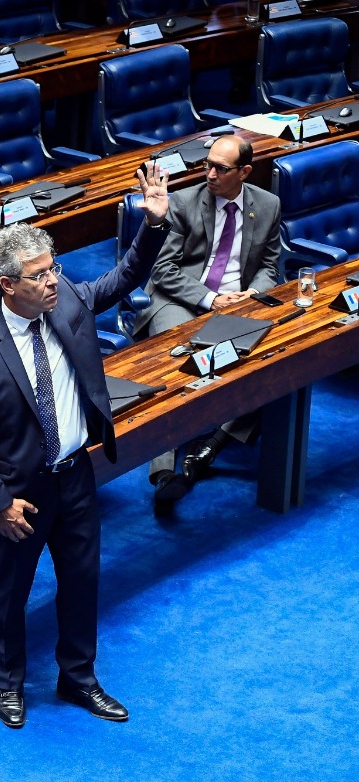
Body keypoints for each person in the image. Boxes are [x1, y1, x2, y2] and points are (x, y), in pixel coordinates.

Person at [0, 164, 170, 729]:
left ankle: (79, 678)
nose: (52, 281)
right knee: (8, 593)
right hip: (20, 490)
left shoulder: (68, 299)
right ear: (8, 286)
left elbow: (122, 279)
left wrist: (153, 225)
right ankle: (10, 684)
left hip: (75, 474)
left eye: (53, 269)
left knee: (81, 580)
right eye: (39, 276)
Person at [132, 134, 280, 511]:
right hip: (183, 298)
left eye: (221, 168)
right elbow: (163, 271)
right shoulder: (183, 203)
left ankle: (211, 446)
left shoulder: (267, 205)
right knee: (176, 360)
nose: (210, 174)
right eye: (207, 165)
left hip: (237, 303)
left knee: (270, 358)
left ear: (244, 172)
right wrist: (211, 299)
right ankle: (164, 468)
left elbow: (268, 268)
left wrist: (251, 295)